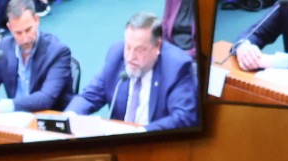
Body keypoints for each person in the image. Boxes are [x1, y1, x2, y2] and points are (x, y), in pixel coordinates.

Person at [64, 12, 199, 131]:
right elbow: (89, 96)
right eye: (128, 47)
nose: (130, 56)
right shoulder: (116, 55)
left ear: (157, 46)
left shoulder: (176, 66)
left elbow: (184, 117)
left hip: (157, 145)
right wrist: (69, 117)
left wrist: (141, 132)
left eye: (139, 50)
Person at [0, 0, 73, 119]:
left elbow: (46, 98)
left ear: (37, 20)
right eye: (18, 33)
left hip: (48, 122)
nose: (25, 39)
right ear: (10, 28)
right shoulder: (5, 48)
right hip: (16, 121)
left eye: (28, 30)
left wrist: (2, 107)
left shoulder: (58, 52)